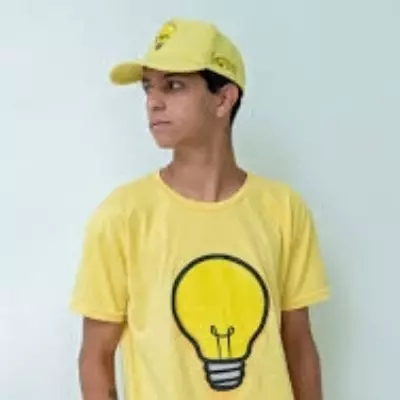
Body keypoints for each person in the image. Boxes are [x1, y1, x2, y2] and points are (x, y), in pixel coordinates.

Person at [70, 17, 330, 400]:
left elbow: (298, 342)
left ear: (223, 99)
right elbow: (95, 356)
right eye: (147, 87)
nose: (153, 101)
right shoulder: (123, 216)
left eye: (173, 85)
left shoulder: (283, 209)